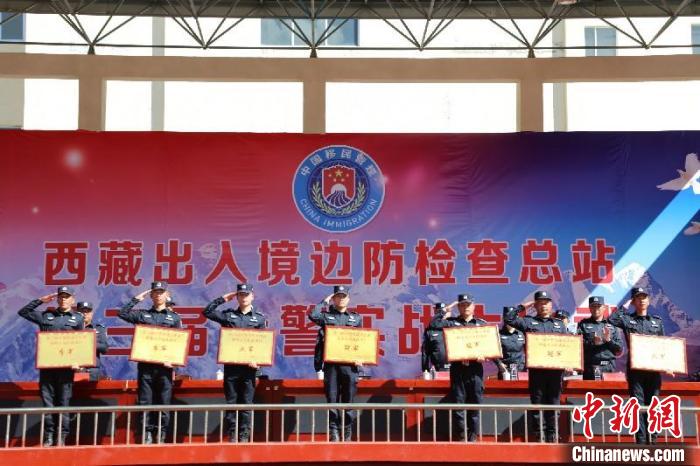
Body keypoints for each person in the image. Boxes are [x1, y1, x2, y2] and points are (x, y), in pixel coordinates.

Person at [18, 286, 85, 446]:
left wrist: (79, 361)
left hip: (66, 369)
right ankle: (49, 436)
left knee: (63, 402)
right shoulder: (46, 316)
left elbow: (82, 342)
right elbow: (23, 312)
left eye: (66, 296)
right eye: (61, 296)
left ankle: (61, 436)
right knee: (48, 402)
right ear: (57, 299)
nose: (63, 299)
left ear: (72, 300)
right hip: (47, 367)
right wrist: (41, 300)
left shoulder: (77, 318)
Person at [118, 281, 182, 444]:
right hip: (146, 367)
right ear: (151, 295)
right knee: (145, 401)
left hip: (165, 368)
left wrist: (174, 362)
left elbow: (179, 343)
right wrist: (137, 299)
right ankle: (146, 433)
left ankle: (161, 434)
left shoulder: (174, 318)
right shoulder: (143, 315)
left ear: (166, 295)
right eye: (155, 292)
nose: (158, 295)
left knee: (163, 402)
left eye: (161, 292)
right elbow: (122, 313)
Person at [203, 283, 266, 443]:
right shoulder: (228, 315)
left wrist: (258, 361)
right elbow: (207, 312)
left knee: (246, 403)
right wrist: (224, 299)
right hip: (231, 366)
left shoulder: (259, 318)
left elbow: (263, 344)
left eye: (246, 294)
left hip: (249, 368)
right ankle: (232, 433)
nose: (244, 297)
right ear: (236, 297)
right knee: (231, 402)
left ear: (252, 296)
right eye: (240, 295)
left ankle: (244, 435)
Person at [504, 290, 568, 443]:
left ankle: (553, 435)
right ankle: (540, 435)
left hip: (555, 371)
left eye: (546, 303)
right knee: (537, 403)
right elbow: (509, 318)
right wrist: (522, 307)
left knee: (554, 403)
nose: (543, 306)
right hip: (537, 371)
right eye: (540, 303)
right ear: (535, 305)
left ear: (551, 305)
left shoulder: (559, 324)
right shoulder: (528, 322)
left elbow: (567, 345)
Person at [608, 287, 668, 444]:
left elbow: (663, 345)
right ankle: (641, 441)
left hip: (653, 369)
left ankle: (653, 440)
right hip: (635, 370)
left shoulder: (656, 322)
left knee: (653, 405)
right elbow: (612, 320)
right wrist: (625, 305)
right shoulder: (628, 319)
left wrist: (668, 364)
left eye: (644, 297)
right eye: (638, 298)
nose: (642, 300)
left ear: (649, 300)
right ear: (633, 301)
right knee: (638, 405)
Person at [429, 294, 487, 441]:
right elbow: (434, 324)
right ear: (458, 307)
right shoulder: (451, 323)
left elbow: (490, 345)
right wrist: (446, 309)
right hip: (458, 369)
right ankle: (461, 436)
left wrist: (485, 355)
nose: (465, 307)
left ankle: (473, 437)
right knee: (458, 403)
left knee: (475, 403)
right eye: (461, 305)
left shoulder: (481, 324)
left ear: (473, 306)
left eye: (468, 304)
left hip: (475, 369)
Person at [308, 285, 362, 442]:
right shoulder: (326, 317)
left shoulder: (355, 318)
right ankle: (334, 433)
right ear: (334, 298)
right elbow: (312, 314)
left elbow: (361, 340)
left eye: (344, 296)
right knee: (332, 400)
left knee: (348, 400)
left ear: (348, 299)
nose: (341, 299)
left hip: (350, 366)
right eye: (338, 296)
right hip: (331, 365)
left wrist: (361, 357)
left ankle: (347, 433)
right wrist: (324, 301)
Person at [577, 296, 623, 381]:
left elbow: (619, 349)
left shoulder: (612, 325)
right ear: (589, 308)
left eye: (598, 306)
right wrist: (593, 343)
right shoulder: (583, 324)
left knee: (609, 390)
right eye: (593, 306)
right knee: (590, 390)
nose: (596, 309)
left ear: (604, 307)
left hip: (608, 367)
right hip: (590, 368)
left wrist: (609, 340)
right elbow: (578, 346)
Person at [75, 301, 109, 382]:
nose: (85, 314)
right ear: (76, 313)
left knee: (91, 390)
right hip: (74, 368)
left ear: (92, 313)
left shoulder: (99, 328)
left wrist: (90, 343)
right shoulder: (71, 329)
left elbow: (105, 349)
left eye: (88, 311)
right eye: (82, 311)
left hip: (92, 370)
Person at [495, 306, 526, 380]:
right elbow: (493, 351)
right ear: (503, 318)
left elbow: (529, 349)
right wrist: (499, 363)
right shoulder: (498, 334)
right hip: (505, 370)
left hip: (521, 370)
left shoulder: (522, 333)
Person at [421, 302, 450, 380]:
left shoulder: (453, 326)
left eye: (443, 311)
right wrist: (425, 370)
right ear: (435, 312)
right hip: (438, 369)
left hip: (455, 369)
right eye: (439, 311)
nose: (442, 314)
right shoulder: (430, 330)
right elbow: (425, 353)